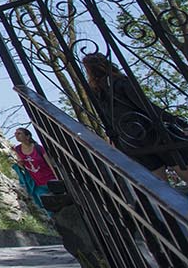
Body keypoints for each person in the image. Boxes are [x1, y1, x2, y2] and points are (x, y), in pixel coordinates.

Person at [81, 52, 188, 183]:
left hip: (129, 140)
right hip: (150, 132)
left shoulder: (96, 93)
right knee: (179, 164)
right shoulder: (120, 82)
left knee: (158, 182)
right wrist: (179, 122)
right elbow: (146, 107)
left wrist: (116, 140)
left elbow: (108, 120)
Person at [12, 127, 56, 210]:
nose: (16, 135)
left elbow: (50, 164)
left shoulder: (38, 148)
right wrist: (20, 163)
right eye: (15, 133)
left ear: (27, 136)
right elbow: (22, 165)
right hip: (37, 183)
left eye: (19, 133)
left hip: (50, 179)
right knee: (45, 204)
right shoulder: (18, 149)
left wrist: (57, 177)